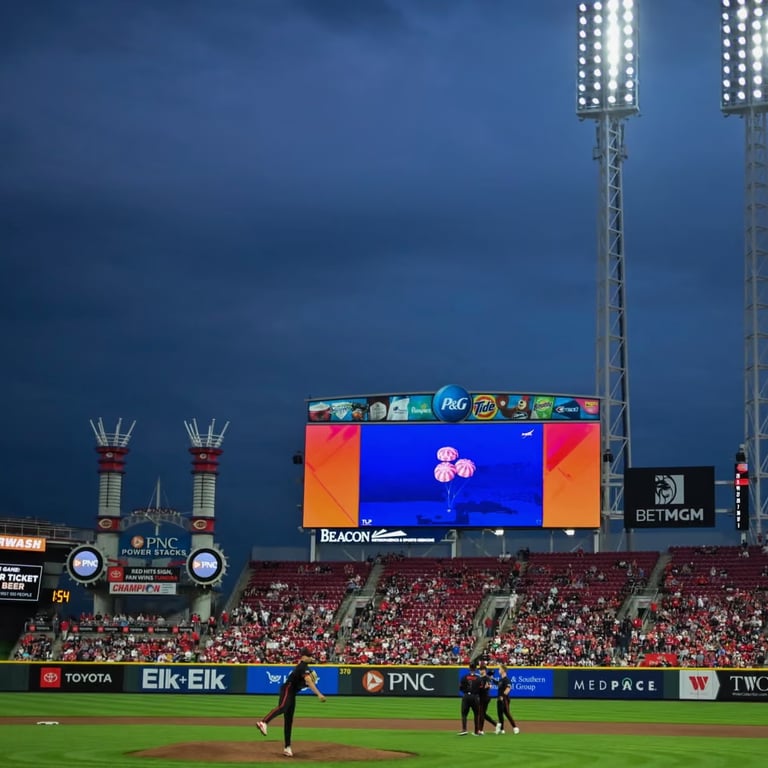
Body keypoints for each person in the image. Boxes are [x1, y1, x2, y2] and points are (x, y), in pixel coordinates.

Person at [256, 647, 326, 757]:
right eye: (309, 656)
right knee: (283, 707)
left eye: (311, 655)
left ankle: (287, 747)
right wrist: (319, 694)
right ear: (303, 656)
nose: (311, 657)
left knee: (289, 720)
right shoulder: (303, 666)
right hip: (287, 689)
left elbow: (307, 680)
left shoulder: (305, 667)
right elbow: (308, 681)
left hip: (292, 692)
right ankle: (263, 722)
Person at [494, 664, 520, 735]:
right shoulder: (501, 679)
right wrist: (492, 679)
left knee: (507, 713)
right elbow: (498, 683)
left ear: (503, 670)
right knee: (500, 714)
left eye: (500, 669)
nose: (499, 670)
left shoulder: (506, 679)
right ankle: (502, 729)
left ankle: (515, 728)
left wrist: (502, 696)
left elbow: (508, 689)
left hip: (504, 699)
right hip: (499, 698)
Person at [457, 660, 480, 735]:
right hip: (475, 697)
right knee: (476, 714)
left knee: (464, 713)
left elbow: (460, 687)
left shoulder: (464, 677)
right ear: (475, 669)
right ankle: (476, 731)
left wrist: (465, 691)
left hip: (466, 696)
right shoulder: (478, 678)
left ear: (469, 668)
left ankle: (464, 729)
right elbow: (481, 688)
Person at [475, 665, 499, 735]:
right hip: (481, 697)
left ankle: (480, 730)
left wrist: (488, 686)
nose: (479, 670)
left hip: (485, 697)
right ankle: (496, 724)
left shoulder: (487, 677)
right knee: (483, 714)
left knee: (481, 714)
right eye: (479, 669)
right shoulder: (480, 678)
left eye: (481, 669)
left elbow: (489, 685)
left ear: (484, 670)